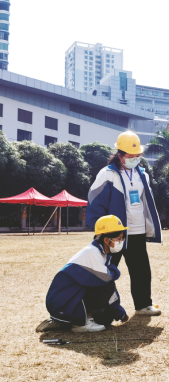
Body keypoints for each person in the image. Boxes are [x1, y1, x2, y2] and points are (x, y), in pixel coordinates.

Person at [86, 131, 162, 316]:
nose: (135, 159)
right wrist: (100, 230)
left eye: (138, 156)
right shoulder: (107, 175)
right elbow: (94, 202)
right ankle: (95, 308)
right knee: (105, 271)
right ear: (119, 154)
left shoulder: (143, 174)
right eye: (130, 156)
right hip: (114, 233)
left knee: (141, 271)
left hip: (137, 232)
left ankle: (143, 305)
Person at [36, 215, 128, 333]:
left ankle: (62, 321)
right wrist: (114, 269)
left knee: (106, 319)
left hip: (70, 298)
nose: (121, 242)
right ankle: (81, 323)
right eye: (118, 239)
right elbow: (108, 280)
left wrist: (119, 313)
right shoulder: (92, 253)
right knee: (106, 284)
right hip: (63, 302)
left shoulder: (102, 254)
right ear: (106, 239)